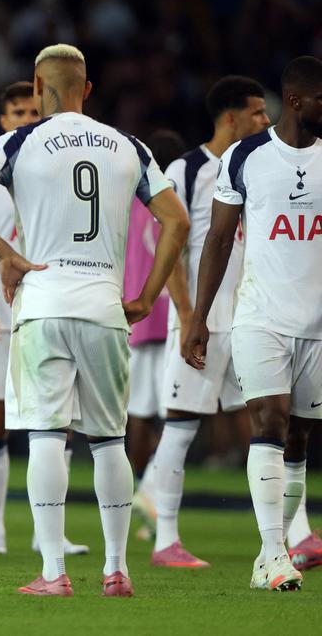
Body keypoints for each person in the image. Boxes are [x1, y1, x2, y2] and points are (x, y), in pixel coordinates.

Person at [0, 43, 189, 597]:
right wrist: (148, 295)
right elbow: (174, 223)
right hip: (105, 306)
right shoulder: (129, 146)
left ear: (37, 87)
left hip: (44, 305)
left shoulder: (18, 141)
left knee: (45, 437)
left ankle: (54, 572)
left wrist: (4, 253)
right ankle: (116, 569)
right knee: (109, 442)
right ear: (89, 90)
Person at [182, 56, 322, 591]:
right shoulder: (245, 156)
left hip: (316, 324)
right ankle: (270, 554)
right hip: (261, 315)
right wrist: (199, 319)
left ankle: (277, 550)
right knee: (269, 421)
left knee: (300, 440)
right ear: (296, 101)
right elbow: (217, 240)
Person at [0, 81, 87, 556]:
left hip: (51, 312)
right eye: (17, 112)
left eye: (34, 111)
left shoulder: (65, 173)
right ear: (3, 122)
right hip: (0, 315)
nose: (27, 119)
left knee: (57, 422)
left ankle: (47, 532)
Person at [148, 77, 271, 567]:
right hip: (202, 321)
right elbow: (171, 247)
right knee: (180, 427)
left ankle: (290, 536)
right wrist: (183, 313)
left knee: (269, 425)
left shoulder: (260, 164)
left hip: (251, 321)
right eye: (259, 113)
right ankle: (165, 542)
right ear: (230, 117)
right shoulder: (188, 168)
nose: (266, 121)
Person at [127, 129, 186, 541]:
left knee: (140, 414)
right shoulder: (175, 198)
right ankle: (150, 490)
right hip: (170, 313)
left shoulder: (127, 197)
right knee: (179, 414)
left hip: (136, 312)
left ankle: (139, 492)